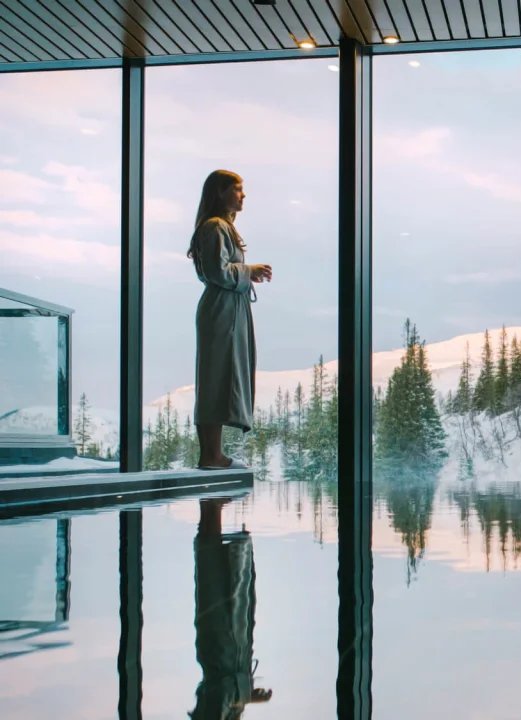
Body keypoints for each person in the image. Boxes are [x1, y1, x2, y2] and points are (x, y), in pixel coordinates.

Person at [187, 170, 271, 470]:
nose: (242, 195)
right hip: (222, 310)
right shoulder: (215, 227)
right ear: (220, 192)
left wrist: (248, 273)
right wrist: (248, 272)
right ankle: (211, 454)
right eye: (237, 189)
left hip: (226, 308)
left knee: (220, 374)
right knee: (216, 376)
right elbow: (217, 271)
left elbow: (219, 270)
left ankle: (213, 453)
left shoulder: (218, 228)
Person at [189, 498, 273, 719]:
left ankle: (212, 503)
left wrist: (242, 696)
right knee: (219, 580)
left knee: (213, 579)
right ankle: (212, 504)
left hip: (222, 656)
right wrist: (245, 695)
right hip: (232, 655)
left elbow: (212, 698)